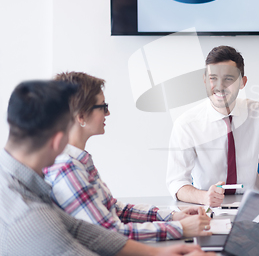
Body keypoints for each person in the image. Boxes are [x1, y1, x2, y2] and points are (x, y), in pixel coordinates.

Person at [0, 80, 210, 256]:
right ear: (58, 141)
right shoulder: (29, 216)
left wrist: (159, 253)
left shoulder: (24, 184)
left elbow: (86, 231)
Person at [44, 72, 211, 241]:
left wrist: (172, 217)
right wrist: (179, 228)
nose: (107, 113)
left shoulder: (79, 161)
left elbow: (115, 209)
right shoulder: (67, 168)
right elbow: (111, 233)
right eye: (103, 106)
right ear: (80, 116)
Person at [166, 46, 259, 207]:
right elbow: (176, 182)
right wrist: (204, 197)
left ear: (242, 82)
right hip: (207, 208)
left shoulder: (257, 112)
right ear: (205, 80)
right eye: (213, 78)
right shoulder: (186, 124)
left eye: (228, 79)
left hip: (255, 204)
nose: (219, 86)